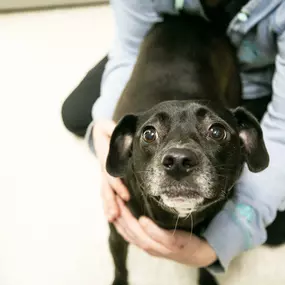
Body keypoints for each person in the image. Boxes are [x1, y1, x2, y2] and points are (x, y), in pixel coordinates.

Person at [62, 0, 285, 272]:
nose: (178, 158)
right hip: (164, 37)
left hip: (254, 68)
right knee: (75, 114)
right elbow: (130, 48)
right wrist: (104, 124)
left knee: (273, 228)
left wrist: (217, 246)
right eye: (149, 134)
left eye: (215, 132)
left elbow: (281, 127)